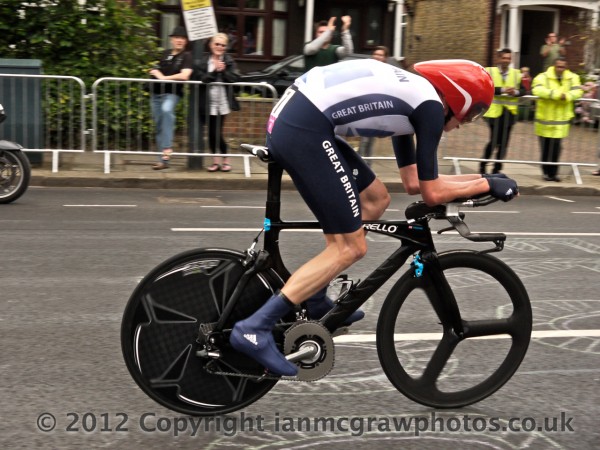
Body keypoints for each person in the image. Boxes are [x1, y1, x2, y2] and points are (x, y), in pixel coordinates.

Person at [229, 59, 519, 376]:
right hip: (304, 129)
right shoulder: (430, 108)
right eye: (475, 112)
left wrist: (483, 177)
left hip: (301, 120)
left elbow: (413, 183)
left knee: (375, 199)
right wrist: (487, 183)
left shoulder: (415, 99)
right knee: (350, 248)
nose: (468, 122)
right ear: (459, 97)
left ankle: (314, 295)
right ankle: (254, 327)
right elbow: (432, 194)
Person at [192, 33, 241, 172]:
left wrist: (224, 70)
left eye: (223, 45)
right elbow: (202, 79)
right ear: (211, 45)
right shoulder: (203, 61)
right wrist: (214, 71)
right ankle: (216, 161)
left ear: (226, 47)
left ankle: (225, 158)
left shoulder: (229, 60)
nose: (219, 47)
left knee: (216, 132)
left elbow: (235, 78)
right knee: (211, 133)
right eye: (217, 44)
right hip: (207, 102)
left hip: (222, 102)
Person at [532, 57, 583, 182]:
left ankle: (553, 174)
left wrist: (567, 96)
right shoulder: (542, 77)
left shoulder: (572, 77)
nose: (561, 69)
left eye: (563, 67)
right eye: (559, 66)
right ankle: (546, 173)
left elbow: (578, 91)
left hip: (560, 122)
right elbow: (536, 89)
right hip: (545, 120)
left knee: (556, 148)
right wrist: (555, 94)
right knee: (545, 149)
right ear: (554, 66)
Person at [149, 26, 193, 170]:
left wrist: (163, 77)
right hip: (156, 94)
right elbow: (154, 69)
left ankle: (166, 149)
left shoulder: (187, 56)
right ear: (172, 40)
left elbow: (185, 75)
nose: (179, 40)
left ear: (185, 41)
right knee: (160, 126)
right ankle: (162, 161)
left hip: (172, 93)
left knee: (167, 110)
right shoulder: (165, 53)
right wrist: (155, 72)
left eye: (182, 38)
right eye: (176, 38)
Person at [480, 48, 522, 175]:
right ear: (498, 58)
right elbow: (485, 87)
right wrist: (503, 90)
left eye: (508, 58)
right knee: (494, 141)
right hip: (494, 113)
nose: (506, 61)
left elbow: (525, 90)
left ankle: (497, 169)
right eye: (504, 58)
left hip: (509, 113)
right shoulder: (489, 71)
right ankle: (483, 165)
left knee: (504, 143)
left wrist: (515, 92)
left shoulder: (516, 74)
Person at [358, 46, 391, 166]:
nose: (377, 57)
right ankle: (363, 166)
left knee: (369, 140)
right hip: (365, 107)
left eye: (380, 55)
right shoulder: (367, 70)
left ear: (385, 58)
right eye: (375, 54)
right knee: (364, 140)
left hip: (377, 109)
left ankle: (367, 167)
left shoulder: (387, 72)